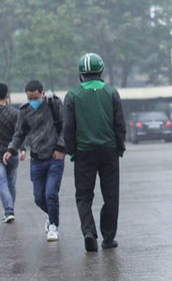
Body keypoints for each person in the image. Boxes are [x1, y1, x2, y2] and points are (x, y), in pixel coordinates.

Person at [62, 53, 127, 252]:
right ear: (101, 72)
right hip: (109, 151)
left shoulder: (72, 95)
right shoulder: (111, 92)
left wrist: (72, 151)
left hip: (83, 153)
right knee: (110, 196)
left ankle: (89, 232)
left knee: (83, 196)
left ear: (81, 74)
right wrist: (120, 146)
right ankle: (108, 239)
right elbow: (120, 124)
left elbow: (68, 127)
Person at [2, 80, 65, 242]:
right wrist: (11, 149)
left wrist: (60, 148)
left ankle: (53, 226)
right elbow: (19, 133)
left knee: (51, 193)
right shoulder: (24, 110)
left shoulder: (54, 105)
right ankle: (51, 215)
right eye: (29, 98)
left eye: (35, 97)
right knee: (39, 198)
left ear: (42, 94)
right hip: (36, 159)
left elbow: (66, 127)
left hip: (54, 157)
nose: (33, 101)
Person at [0, 83, 22, 223]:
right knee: (11, 183)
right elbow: (20, 132)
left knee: (2, 182)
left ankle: (8, 211)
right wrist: (22, 148)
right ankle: (10, 210)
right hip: (12, 152)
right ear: (7, 95)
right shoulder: (15, 113)